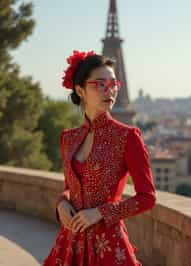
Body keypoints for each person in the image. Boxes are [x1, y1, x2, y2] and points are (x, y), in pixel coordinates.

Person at [42, 50, 157, 266]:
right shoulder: (68, 138)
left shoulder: (127, 137)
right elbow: (71, 187)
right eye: (100, 84)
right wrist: (62, 202)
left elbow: (147, 197)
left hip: (109, 244)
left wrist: (101, 213)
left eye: (113, 84)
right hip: (70, 242)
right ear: (80, 90)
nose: (109, 91)